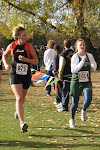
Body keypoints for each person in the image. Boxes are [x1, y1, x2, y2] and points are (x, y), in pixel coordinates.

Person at [2, 25, 38, 132]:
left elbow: (36, 61)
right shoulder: (12, 46)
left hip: (26, 75)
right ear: (18, 36)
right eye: (24, 35)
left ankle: (18, 111)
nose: (26, 37)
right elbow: (4, 55)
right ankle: (22, 123)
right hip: (15, 75)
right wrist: (5, 65)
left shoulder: (29, 46)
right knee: (18, 98)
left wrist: (26, 59)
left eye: (26, 35)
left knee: (22, 98)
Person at [69, 38, 97, 128]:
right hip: (76, 81)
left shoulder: (89, 55)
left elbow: (94, 63)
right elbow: (74, 70)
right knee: (75, 103)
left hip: (86, 81)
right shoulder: (75, 57)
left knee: (88, 98)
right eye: (80, 45)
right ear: (76, 47)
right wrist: (83, 61)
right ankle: (72, 119)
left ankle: (83, 110)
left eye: (83, 45)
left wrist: (93, 67)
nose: (82, 46)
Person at [58, 39, 74, 112]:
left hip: (66, 75)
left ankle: (65, 107)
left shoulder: (63, 55)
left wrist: (60, 76)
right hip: (73, 75)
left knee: (65, 92)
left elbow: (61, 67)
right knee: (73, 92)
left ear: (64, 45)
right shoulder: (74, 53)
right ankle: (74, 105)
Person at [53, 44, 63, 110]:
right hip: (56, 75)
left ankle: (60, 101)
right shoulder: (56, 57)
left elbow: (57, 67)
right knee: (58, 89)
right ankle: (58, 101)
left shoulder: (58, 57)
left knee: (60, 89)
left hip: (57, 75)